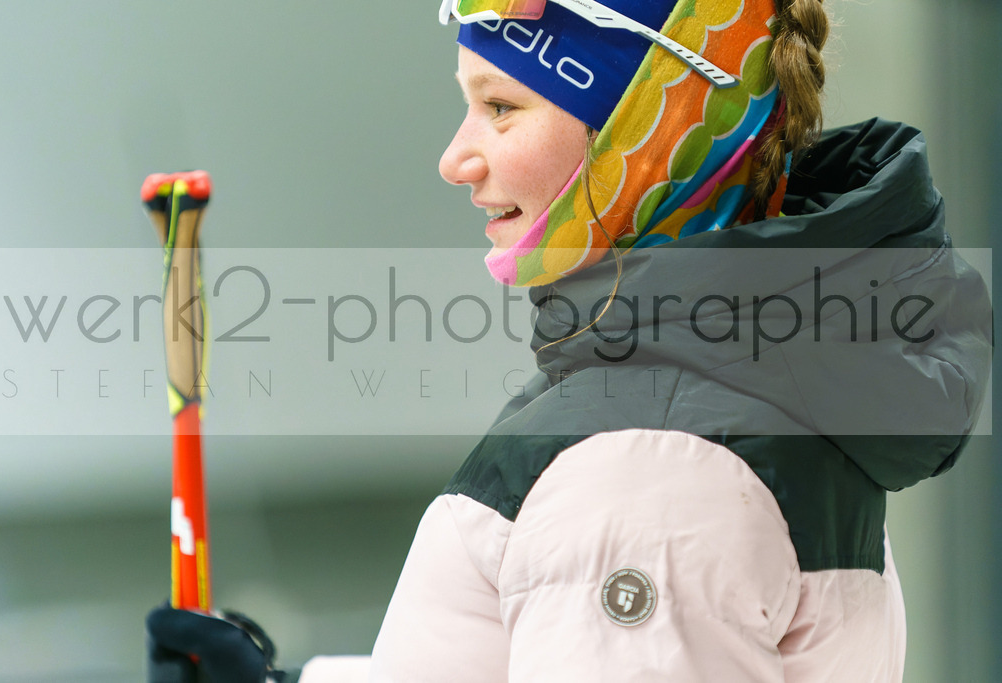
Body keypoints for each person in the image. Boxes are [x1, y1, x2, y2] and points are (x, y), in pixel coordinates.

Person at [147, 0, 993, 681]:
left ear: (649, 135)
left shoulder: (651, 467)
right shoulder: (731, 377)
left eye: (501, 108)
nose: (456, 157)